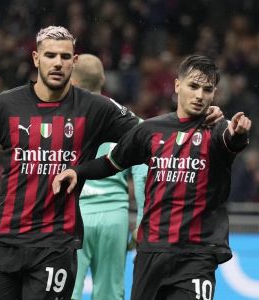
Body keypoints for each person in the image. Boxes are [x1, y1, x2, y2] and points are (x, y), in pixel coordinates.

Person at [0, 27, 223, 300]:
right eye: (50, 55)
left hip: (55, 246)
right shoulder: (5, 105)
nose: (57, 63)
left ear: (73, 62)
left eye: (64, 57)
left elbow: (151, 134)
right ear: (36, 58)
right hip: (4, 241)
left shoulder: (95, 108)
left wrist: (197, 120)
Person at [53, 54, 252, 300]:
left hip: (197, 254)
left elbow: (232, 141)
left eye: (207, 89)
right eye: (193, 86)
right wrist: (78, 171)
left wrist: (239, 134)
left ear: (214, 94)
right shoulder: (150, 130)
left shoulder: (219, 130)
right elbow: (112, 162)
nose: (200, 95)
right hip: (151, 252)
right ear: (178, 85)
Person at [70, 53, 148, 300]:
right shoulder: (127, 121)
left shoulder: (63, 119)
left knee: (65, 290)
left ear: (72, 80)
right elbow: (144, 174)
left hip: (73, 214)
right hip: (114, 216)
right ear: (103, 80)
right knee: (110, 294)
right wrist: (143, 220)